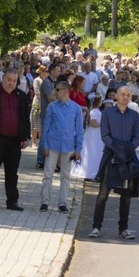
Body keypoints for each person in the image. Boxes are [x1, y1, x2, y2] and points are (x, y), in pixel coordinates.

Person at [89, 86, 139, 240]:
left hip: (127, 159)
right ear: (116, 96)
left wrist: (127, 149)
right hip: (111, 156)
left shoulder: (134, 115)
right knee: (103, 194)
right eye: (122, 94)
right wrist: (118, 148)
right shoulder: (106, 113)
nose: (125, 97)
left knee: (126, 195)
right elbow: (104, 135)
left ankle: (123, 228)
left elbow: (137, 136)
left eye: (128, 95)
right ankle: (96, 227)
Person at [0, 69, 30, 211]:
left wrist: (24, 137)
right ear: (3, 78)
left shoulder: (21, 96)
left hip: (14, 140)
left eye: (14, 81)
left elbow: (24, 118)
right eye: (9, 80)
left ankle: (12, 201)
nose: (11, 83)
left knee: (12, 172)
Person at [40, 81, 83, 213]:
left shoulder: (76, 108)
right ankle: (44, 202)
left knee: (65, 175)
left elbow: (79, 130)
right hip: (53, 144)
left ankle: (62, 203)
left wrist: (78, 149)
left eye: (57, 90)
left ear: (65, 91)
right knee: (48, 173)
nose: (55, 92)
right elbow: (46, 127)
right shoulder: (52, 107)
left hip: (68, 145)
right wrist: (44, 145)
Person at [80, 95, 105, 180]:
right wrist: (103, 125)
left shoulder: (96, 110)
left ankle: (95, 170)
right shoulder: (94, 111)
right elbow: (93, 124)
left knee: (96, 150)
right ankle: (91, 171)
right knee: (93, 150)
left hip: (96, 134)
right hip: (93, 134)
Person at [30, 65, 47, 148]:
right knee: (35, 123)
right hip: (37, 103)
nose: (46, 73)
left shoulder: (46, 80)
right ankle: (33, 142)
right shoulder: (37, 80)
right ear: (41, 72)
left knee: (41, 124)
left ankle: (40, 142)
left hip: (44, 105)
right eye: (45, 71)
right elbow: (37, 92)